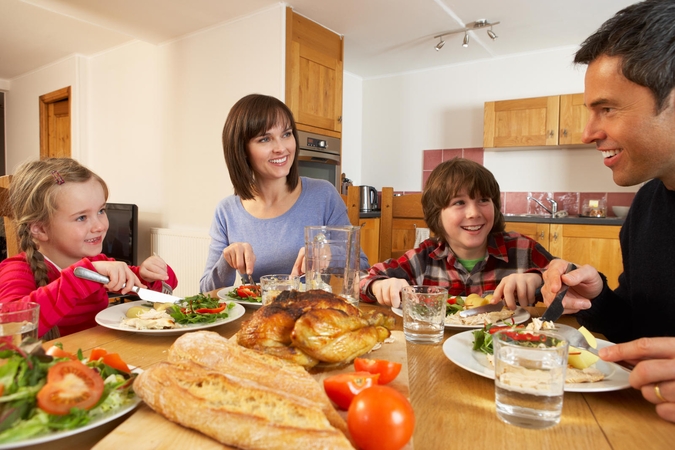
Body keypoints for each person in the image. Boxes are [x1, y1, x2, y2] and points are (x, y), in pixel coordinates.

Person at [540, 0, 675, 423]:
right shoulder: (647, 206)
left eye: (608, 109)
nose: (587, 133)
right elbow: (639, 332)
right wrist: (598, 297)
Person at [200, 94, 368, 292]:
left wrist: (328, 254)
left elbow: (363, 266)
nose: (281, 148)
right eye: (265, 139)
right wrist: (227, 261)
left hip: (312, 316)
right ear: (242, 149)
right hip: (257, 320)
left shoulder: (324, 195)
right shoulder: (226, 211)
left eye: (286, 134)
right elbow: (205, 291)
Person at [0, 158, 178, 339]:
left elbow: (163, 286)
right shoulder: (17, 270)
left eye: (101, 211)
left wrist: (153, 274)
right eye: (81, 218)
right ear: (40, 229)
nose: (99, 226)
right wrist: (82, 277)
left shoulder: (97, 262)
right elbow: (8, 330)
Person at [360, 158, 555, 308]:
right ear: (437, 214)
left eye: (483, 200)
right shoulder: (424, 257)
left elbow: (572, 280)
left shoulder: (522, 249)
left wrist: (540, 277)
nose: (474, 213)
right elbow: (363, 280)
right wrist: (378, 286)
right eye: (459, 203)